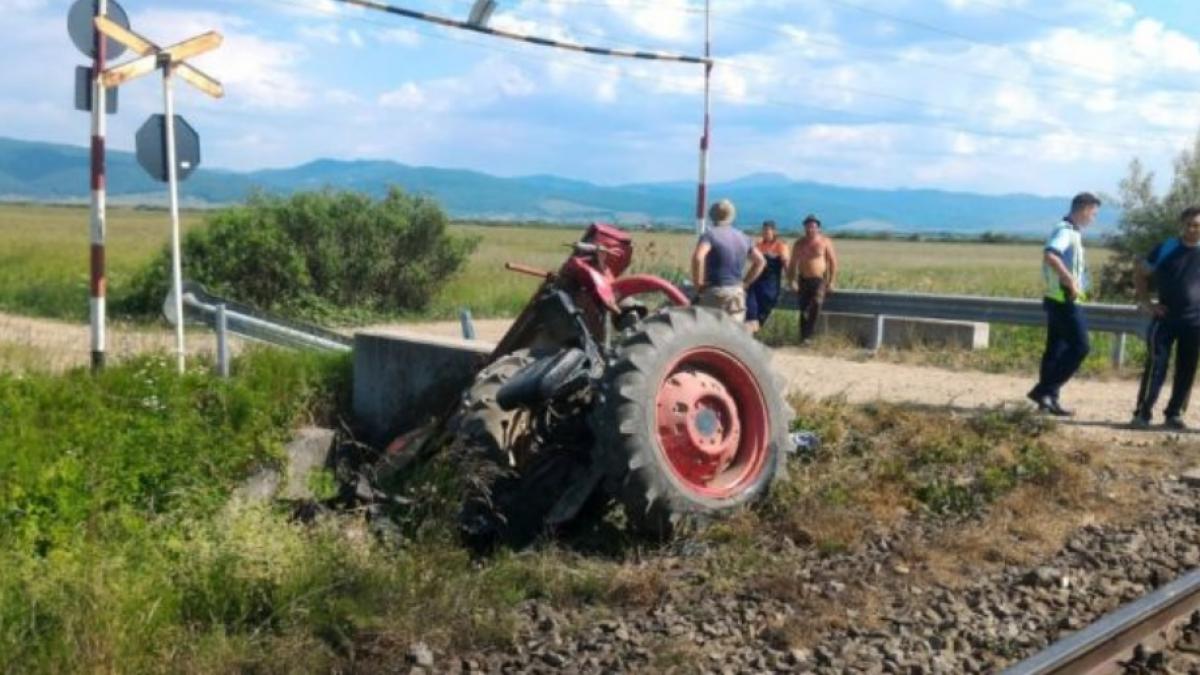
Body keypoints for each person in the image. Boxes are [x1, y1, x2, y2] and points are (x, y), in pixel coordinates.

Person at [1027, 192, 1102, 416]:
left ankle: (1048, 401)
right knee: (1081, 346)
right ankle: (1044, 391)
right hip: (1064, 299)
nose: (1094, 218)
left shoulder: (1071, 231)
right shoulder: (1066, 231)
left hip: (1058, 298)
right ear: (1084, 208)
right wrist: (1069, 280)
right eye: (1093, 213)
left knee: (1056, 350)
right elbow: (1051, 255)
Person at [1130, 206, 1200, 430]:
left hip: (1195, 322)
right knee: (1156, 367)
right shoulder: (1167, 247)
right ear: (1181, 225)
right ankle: (1142, 414)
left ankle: (1174, 414)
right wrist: (1146, 302)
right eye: (1189, 225)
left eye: (1197, 225)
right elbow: (1141, 271)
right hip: (1165, 319)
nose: (1193, 229)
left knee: (1187, 369)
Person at [691, 199, 766, 323]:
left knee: (709, 332)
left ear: (712, 216)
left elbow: (698, 257)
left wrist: (698, 284)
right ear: (731, 217)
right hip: (736, 293)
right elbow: (761, 261)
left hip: (714, 292)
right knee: (733, 332)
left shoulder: (710, 235)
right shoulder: (744, 237)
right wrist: (745, 283)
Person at [787, 214, 838, 343]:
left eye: (813, 227)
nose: (810, 229)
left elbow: (833, 262)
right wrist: (791, 281)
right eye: (808, 226)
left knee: (816, 302)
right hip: (803, 279)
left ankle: (809, 335)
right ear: (804, 228)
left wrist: (832, 281)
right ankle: (804, 337)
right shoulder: (799, 243)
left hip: (819, 279)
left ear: (818, 228)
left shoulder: (825, 242)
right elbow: (792, 264)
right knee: (803, 308)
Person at [745, 220, 790, 333]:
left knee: (763, 311)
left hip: (771, 284)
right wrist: (746, 281)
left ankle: (755, 331)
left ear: (774, 231)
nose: (765, 233)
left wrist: (791, 280)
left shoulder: (781, 245)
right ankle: (750, 330)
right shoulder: (759, 245)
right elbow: (754, 265)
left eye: (767, 230)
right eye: (763, 230)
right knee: (751, 309)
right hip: (756, 281)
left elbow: (786, 264)